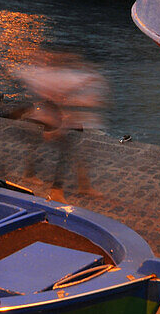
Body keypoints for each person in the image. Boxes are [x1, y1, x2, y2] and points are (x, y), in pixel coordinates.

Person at [10, 48, 106, 202]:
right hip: (53, 122)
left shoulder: (65, 78)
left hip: (60, 121)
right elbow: (56, 103)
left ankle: (82, 186)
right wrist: (57, 128)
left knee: (74, 152)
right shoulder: (56, 78)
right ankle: (57, 191)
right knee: (67, 154)